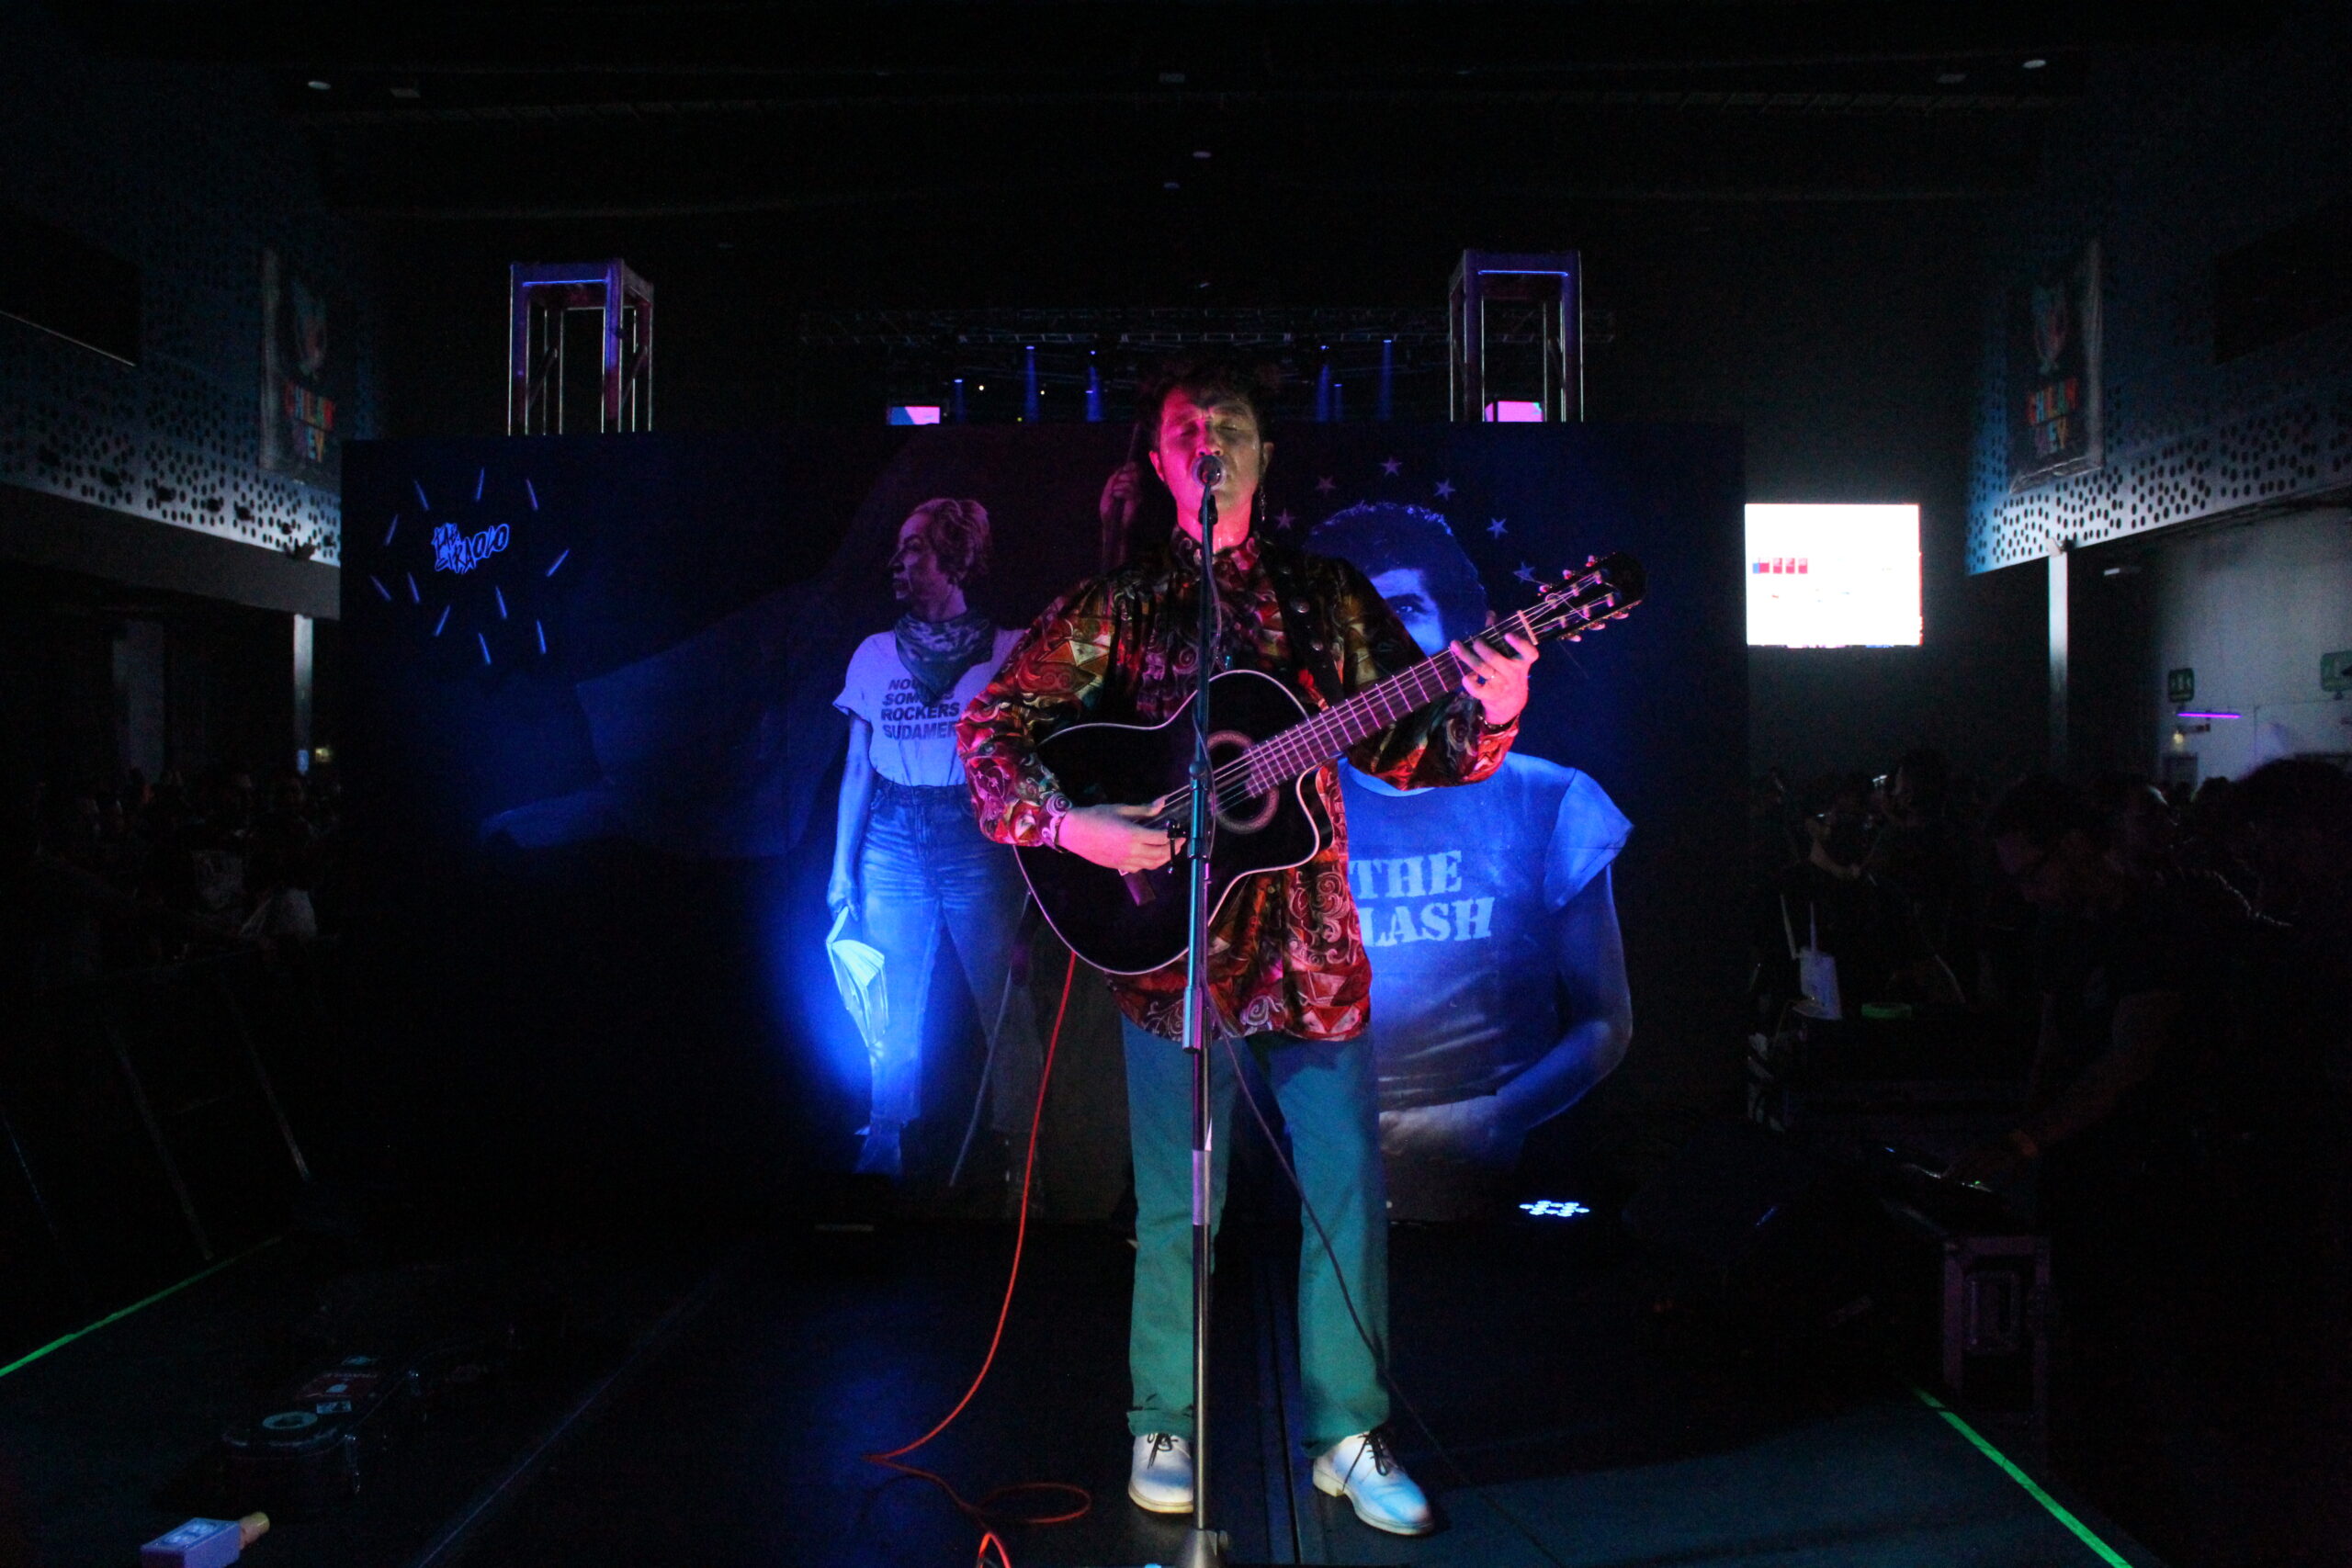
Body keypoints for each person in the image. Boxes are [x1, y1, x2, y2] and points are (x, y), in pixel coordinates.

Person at [958, 355, 1536, 1538]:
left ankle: (1348, 1433)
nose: (1209, 440)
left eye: (1231, 425)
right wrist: (1074, 826)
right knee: (1179, 1205)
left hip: (1308, 949)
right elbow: (989, 729)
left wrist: (1497, 703)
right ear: (1160, 462)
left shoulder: (1324, 597)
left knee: (1346, 1192)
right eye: (1188, 428)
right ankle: (1163, 1418)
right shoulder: (1119, 607)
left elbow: (1414, 747)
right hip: (1165, 953)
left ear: (1263, 457)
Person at [1305, 502, 1634, 1221]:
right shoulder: (1286, 803)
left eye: (1402, 608)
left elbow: (1604, 1022)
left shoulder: (1554, 800)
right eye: (1352, 620)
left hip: (1503, 1178)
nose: (1378, 640)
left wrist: (1484, 1120)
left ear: (1465, 627)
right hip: (1318, 1170)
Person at [829, 498, 1035, 1181]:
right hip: (892, 834)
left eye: (915, 547)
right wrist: (840, 868)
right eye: (899, 547)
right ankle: (885, 1134)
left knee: (1003, 1001)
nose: (899, 561)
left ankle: (1022, 1154)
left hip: (974, 835)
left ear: (956, 556)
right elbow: (857, 766)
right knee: (890, 1000)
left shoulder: (1007, 649)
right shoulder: (875, 653)